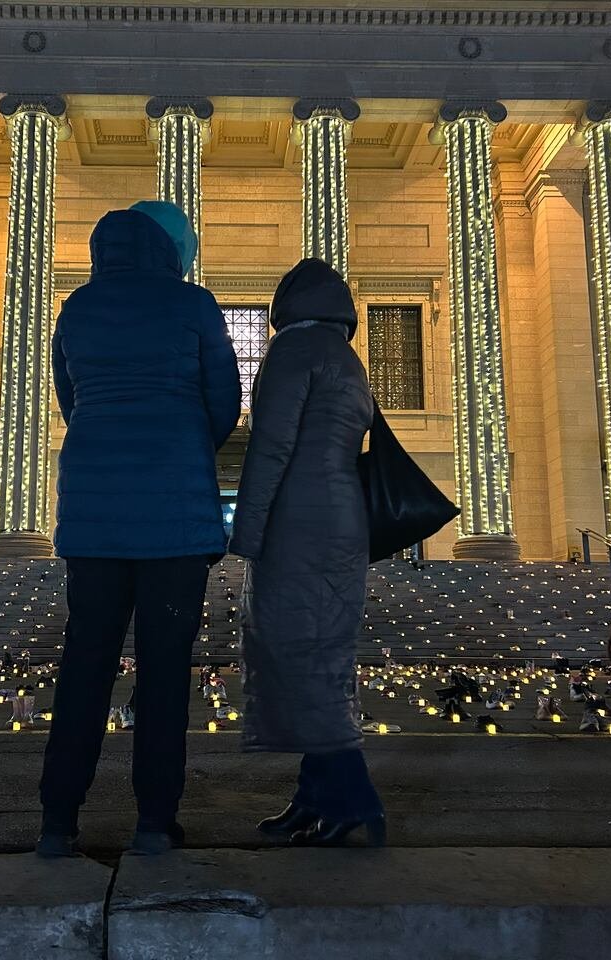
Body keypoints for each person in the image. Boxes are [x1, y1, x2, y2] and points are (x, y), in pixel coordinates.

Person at [36, 201, 241, 858]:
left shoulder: (78, 307)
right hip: (174, 520)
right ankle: (154, 821)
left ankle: (57, 821)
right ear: (174, 250)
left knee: (84, 665)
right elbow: (224, 402)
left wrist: (107, 439)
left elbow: (71, 399)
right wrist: (185, 444)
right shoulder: (194, 305)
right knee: (164, 672)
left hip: (94, 516)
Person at [229, 257, 385, 848]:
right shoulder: (346, 358)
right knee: (320, 655)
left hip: (300, 520)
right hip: (342, 518)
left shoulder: (293, 351)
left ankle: (353, 801)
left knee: (299, 656)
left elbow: (271, 445)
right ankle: (314, 797)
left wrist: (245, 533)